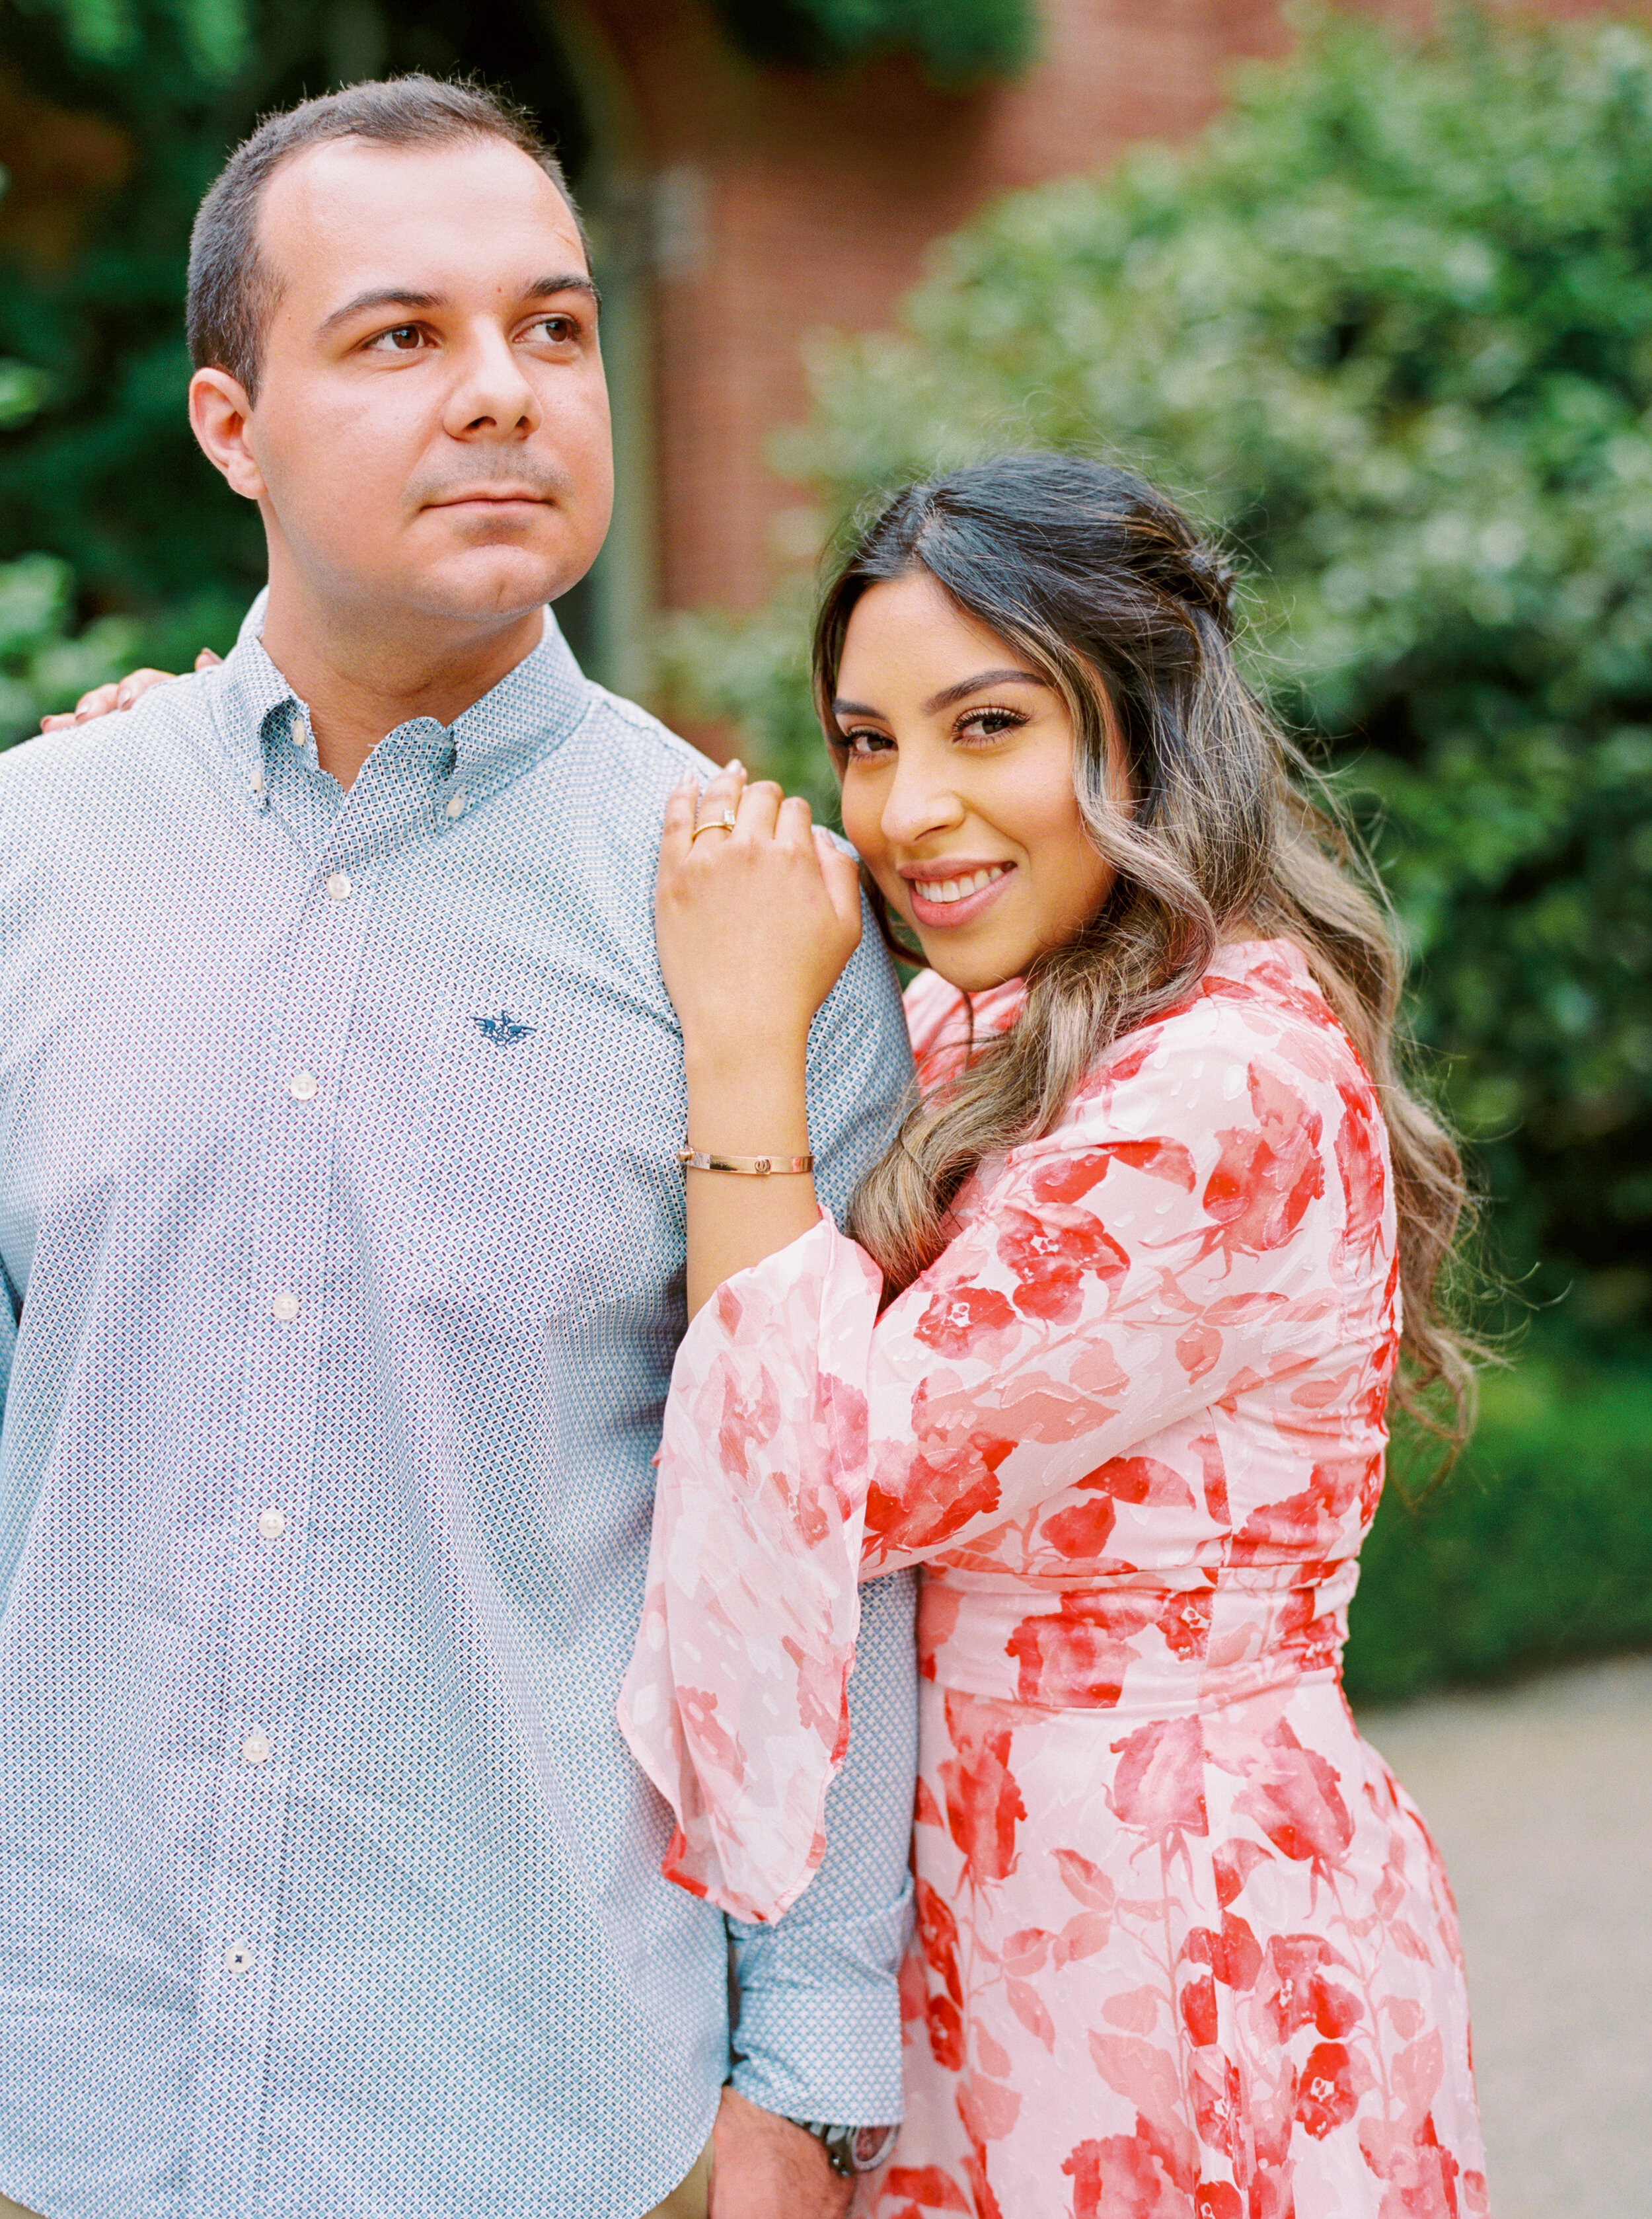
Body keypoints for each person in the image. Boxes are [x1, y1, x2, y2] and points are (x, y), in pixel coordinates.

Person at [0, 76, 918, 2219]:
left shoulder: (753, 927)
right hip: (60, 2102)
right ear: (231, 423)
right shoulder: (34, 865)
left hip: (538, 2121)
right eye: (402, 337)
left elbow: (827, 1557)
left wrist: (807, 2075)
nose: (503, 394)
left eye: (556, 329)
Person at [618, 455, 1489, 2219]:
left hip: (1156, 1945)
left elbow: (817, 1481)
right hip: (980, 1918)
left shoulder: (1219, 1088)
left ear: (1148, 728)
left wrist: (740, 1049)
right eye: (864, 743)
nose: (908, 807)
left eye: (984, 724)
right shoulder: (981, 1025)